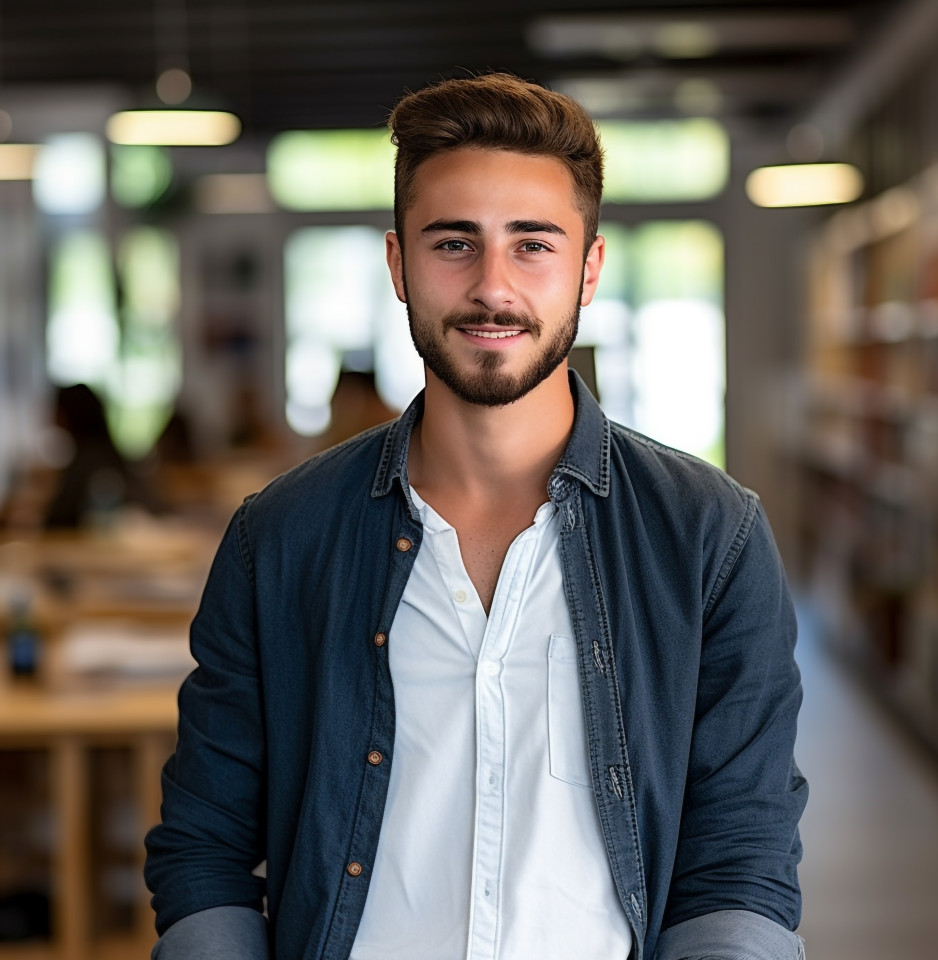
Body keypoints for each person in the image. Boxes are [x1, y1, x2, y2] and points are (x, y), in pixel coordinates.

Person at [145, 73, 808, 960]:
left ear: (590, 267)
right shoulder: (281, 539)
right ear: (398, 265)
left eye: (532, 245)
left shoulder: (708, 537)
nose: (493, 287)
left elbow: (740, 864)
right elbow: (205, 848)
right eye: (454, 243)